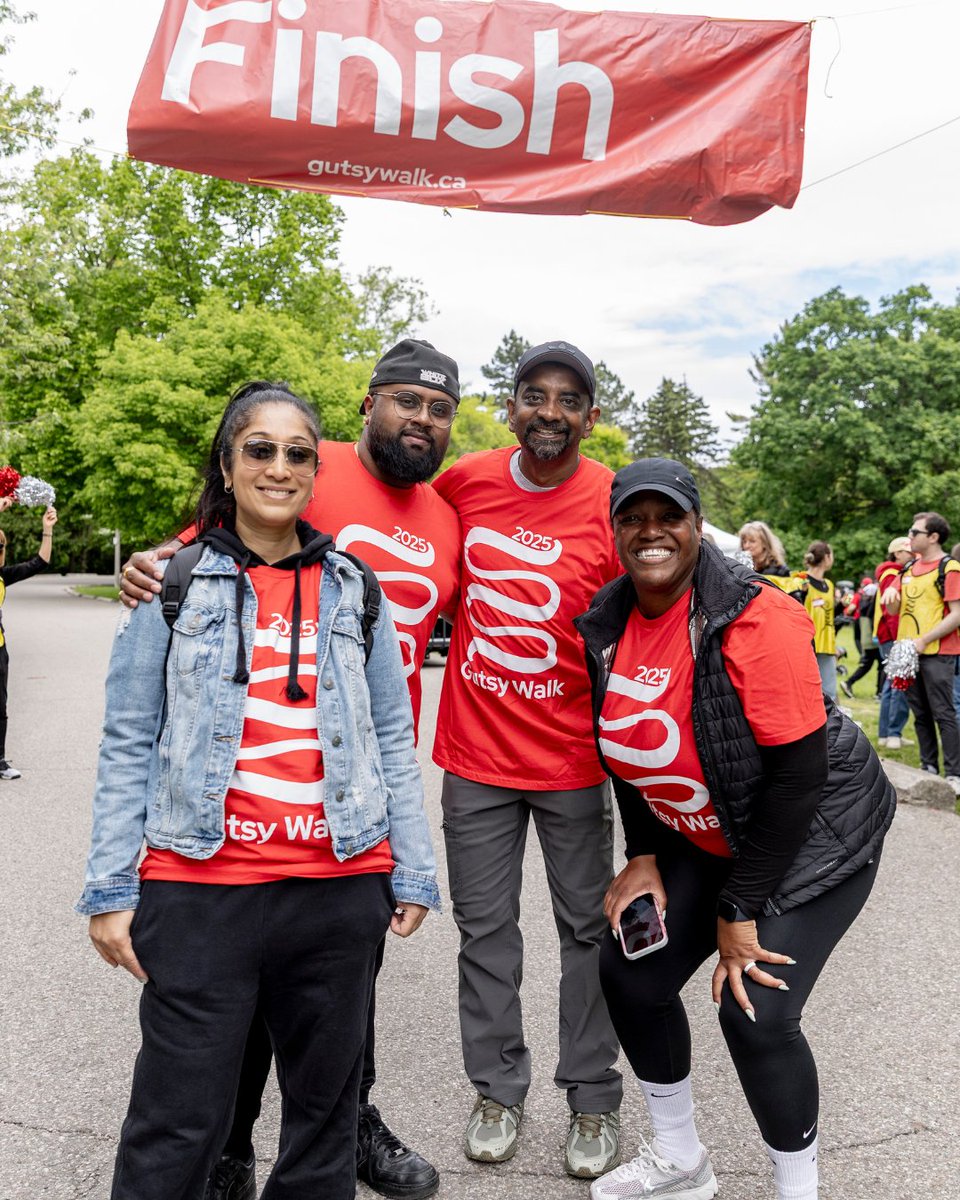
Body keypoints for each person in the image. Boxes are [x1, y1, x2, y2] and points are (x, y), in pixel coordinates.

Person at [78, 381, 439, 1200]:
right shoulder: (170, 584)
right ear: (229, 462)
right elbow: (129, 737)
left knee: (323, 1123)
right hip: (201, 891)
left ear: (317, 470)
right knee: (175, 1123)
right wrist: (110, 887)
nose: (280, 468)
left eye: (299, 453)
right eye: (260, 449)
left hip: (340, 890)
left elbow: (390, 736)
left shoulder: (357, 586)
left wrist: (411, 868)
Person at [575, 458, 895, 1200]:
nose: (651, 531)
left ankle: (796, 1189)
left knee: (754, 1007)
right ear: (615, 528)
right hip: (709, 830)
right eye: (633, 517)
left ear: (696, 528)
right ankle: (682, 1161)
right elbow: (624, 750)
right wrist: (645, 854)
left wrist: (738, 908)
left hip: (813, 832)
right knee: (630, 972)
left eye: (669, 517)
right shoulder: (608, 622)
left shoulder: (759, 616)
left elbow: (798, 779)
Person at [432, 341, 623, 1178]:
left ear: (590, 415)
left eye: (569, 399)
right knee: (485, 934)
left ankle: (591, 1100)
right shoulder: (464, 480)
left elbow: (677, 580)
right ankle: (499, 1092)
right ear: (510, 404)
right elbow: (369, 510)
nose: (551, 411)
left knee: (590, 933)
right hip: (475, 755)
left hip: (576, 762)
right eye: (534, 394)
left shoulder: (615, 498)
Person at [880, 511, 960, 793]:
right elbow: (893, 610)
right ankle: (928, 766)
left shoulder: (949, 568)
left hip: (937, 651)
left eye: (915, 533)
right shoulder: (907, 569)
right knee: (921, 712)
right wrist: (891, 599)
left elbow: (956, 614)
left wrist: (925, 639)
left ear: (934, 537)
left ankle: (954, 774)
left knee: (943, 712)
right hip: (907, 651)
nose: (909, 537)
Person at [0, 499, 58, 780]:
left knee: (0, 705)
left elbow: (40, 563)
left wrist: (46, 530)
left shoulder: (2, 576)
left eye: (1, 546)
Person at [873, 537, 914, 748]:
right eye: (908, 551)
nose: (912, 554)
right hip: (893, 635)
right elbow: (891, 611)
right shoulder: (892, 574)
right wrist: (901, 637)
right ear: (897, 553)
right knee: (899, 682)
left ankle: (887, 733)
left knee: (891, 684)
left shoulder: (892, 572)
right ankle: (893, 733)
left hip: (889, 635)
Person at [793, 541, 839, 700]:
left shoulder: (829, 585)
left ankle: (829, 724)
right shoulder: (800, 580)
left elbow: (829, 615)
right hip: (806, 643)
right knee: (805, 692)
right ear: (826, 557)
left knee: (829, 693)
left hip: (826, 644)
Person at [840, 575, 882, 699]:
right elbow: (850, 608)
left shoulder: (860, 596)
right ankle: (878, 693)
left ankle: (878, 692)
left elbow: (850, 609)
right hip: (869, 633)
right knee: (877, 663)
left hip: (862, 630)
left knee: (871, 663)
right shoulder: (866, 599)